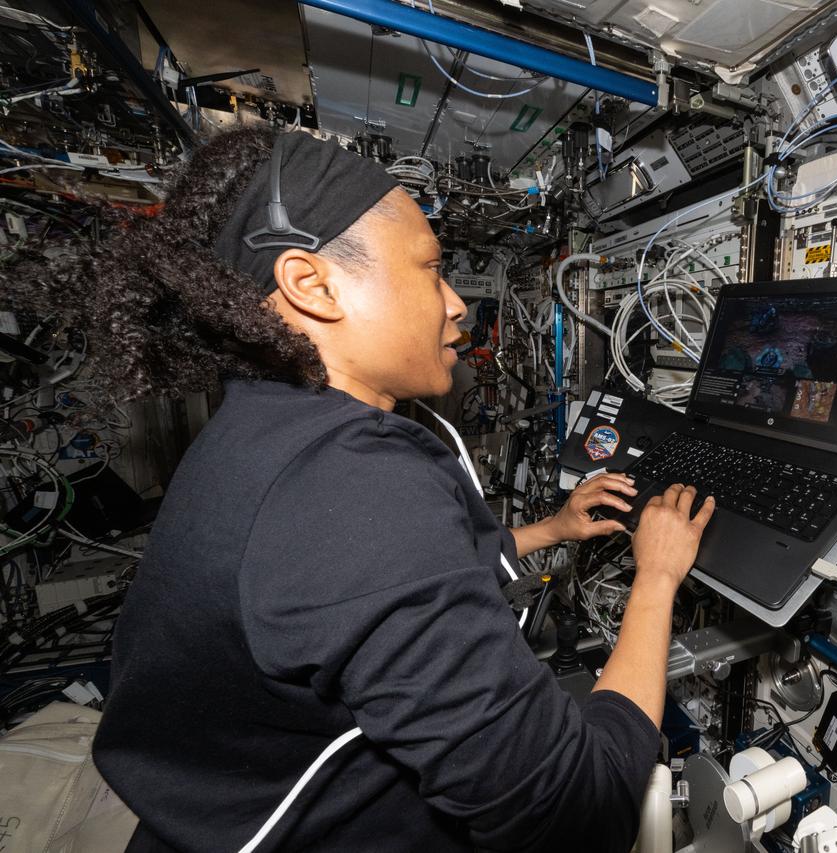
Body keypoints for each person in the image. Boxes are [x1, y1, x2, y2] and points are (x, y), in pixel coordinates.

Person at [0, 128, 715, 851]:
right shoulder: (351, 485)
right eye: (432, 269)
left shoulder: (264, 434)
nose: (457, 303)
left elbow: (351, 596)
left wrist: (551, 531)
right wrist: (656, 575)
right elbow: (577, 811)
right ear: (312, 285)